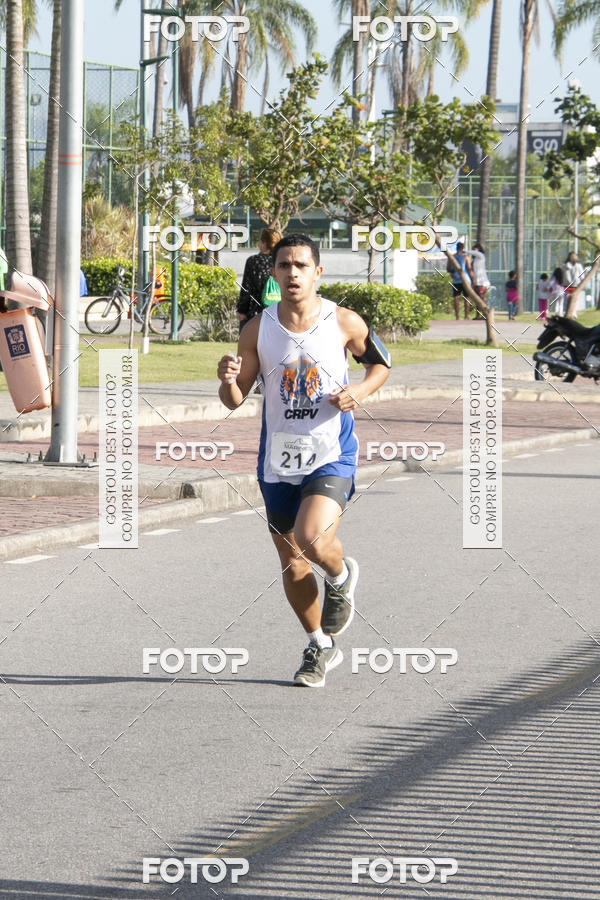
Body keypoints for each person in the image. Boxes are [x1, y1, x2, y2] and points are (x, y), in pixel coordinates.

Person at [217, 233, 391, 687]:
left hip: (331, 452)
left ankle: (339, 573)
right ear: (272, 274)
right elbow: (235, 399)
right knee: (292, 561)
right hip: (277, 459)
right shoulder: (257, 329)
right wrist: (228, 380)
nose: (292, 273)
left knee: (310, 537)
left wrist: (359, 391)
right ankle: (320, 644)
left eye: (300, 265)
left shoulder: (343, 321)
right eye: (283, 266)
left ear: (318, 272)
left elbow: (381, 365)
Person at [237, 227, 281, 329]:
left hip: (256, 313)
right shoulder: (281, 262)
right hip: (278, 313)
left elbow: (246, 288)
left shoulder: (253, 261)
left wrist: (242, 310)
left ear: (264, 243)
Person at [448, 242, 475, 320]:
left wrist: (453, 271)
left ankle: (457, 316)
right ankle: (466, 316)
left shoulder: (452, 257)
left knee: (456, 298)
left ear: (456, 247)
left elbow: (448, 269)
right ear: (462, 248)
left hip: (455, 280)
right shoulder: (465, 257)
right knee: (467, 298)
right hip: (465, 280)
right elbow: (469, 269)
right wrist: (473, 279)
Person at [469, 242, 490, 319]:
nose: (474, 251)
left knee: (482, 299)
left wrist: (465, 251)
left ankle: (485, 315)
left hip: (483, 282)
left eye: (475, 249)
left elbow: (475, 253)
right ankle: (478, 315)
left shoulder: (481, 256)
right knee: (477, 300)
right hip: (476, 282)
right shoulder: (474, 261)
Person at [562, 251, 585, 316]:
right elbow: (582, 275)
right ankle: (571, 312)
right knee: (572, 299)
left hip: (572, 285)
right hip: (571, 285)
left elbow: (582, 275)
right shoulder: (565, 265)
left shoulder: (565, 265)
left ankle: (571, 312)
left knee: (571, 299)